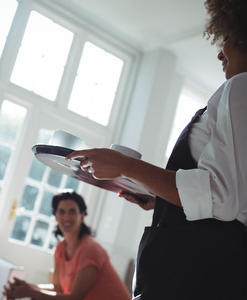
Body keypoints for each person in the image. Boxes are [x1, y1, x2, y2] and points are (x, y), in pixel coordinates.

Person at [65, 1, 247, 299]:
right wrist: (160, 199)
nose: (220, 51)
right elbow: (232, 198)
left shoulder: (241, 87)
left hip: (194, 275)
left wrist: (124, 164)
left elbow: (219, 197)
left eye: (226, 37)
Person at [4, 191, 130, 300]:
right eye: (62, 212)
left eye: (72, 212)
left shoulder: (90, 249)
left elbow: (75, 298)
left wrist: (31, 292)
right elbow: (57, 289)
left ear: (82, 216)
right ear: (56, 216)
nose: (67, 217)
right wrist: (26, 287)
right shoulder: (60, 248)